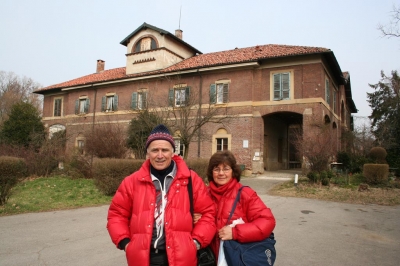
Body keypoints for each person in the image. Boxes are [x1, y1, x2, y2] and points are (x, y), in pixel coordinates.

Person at [107, 124, 216, 266]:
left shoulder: (190, 179)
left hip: (182, 258)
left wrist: (195, 242)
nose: (160, 155)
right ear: (148, 153)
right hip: (143, 258)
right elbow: (116, 215)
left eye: (164, 150)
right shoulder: (131, 182)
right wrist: (125, 243)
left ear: (172, 152)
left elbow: (208, 214)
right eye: (154, 150)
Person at [205, 150, 276, 263]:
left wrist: (235, 233)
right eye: (216, 169)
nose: (221, 173)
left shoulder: (245, 194)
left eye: (226, 169)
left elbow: (267, 221)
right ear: (211, 172)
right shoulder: (204, 194)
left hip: (235, 258)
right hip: (210, 258)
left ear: (233, 171)